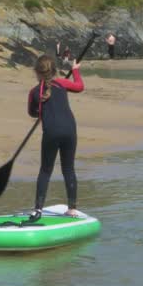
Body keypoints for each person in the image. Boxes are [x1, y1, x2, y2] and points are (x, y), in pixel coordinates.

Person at [27, 54, 85, 221]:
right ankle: (72, 209)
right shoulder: (62, 83)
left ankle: (37, 209)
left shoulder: (34, 92)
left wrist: (40, 110)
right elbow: (79, 87)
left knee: (45, 170)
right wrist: (75, 71)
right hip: (69, 130)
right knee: (68, 169)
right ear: (54, 71)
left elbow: (31, 112)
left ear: (37, 72)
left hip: (51, 132)